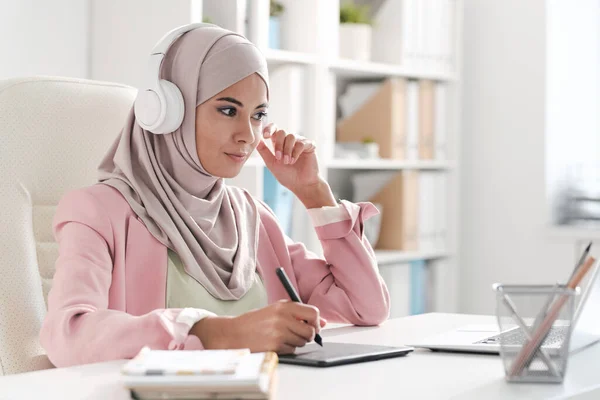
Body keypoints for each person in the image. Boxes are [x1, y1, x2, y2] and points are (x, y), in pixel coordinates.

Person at [40, 24, 389, 368]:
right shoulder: (99, 212)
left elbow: (366, 307)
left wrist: (314, 194)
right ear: (166, 111)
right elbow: (67, 334)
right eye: (227, 110)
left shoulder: (252, 217)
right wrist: (215, 333)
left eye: (258, 115)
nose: (247, 135)